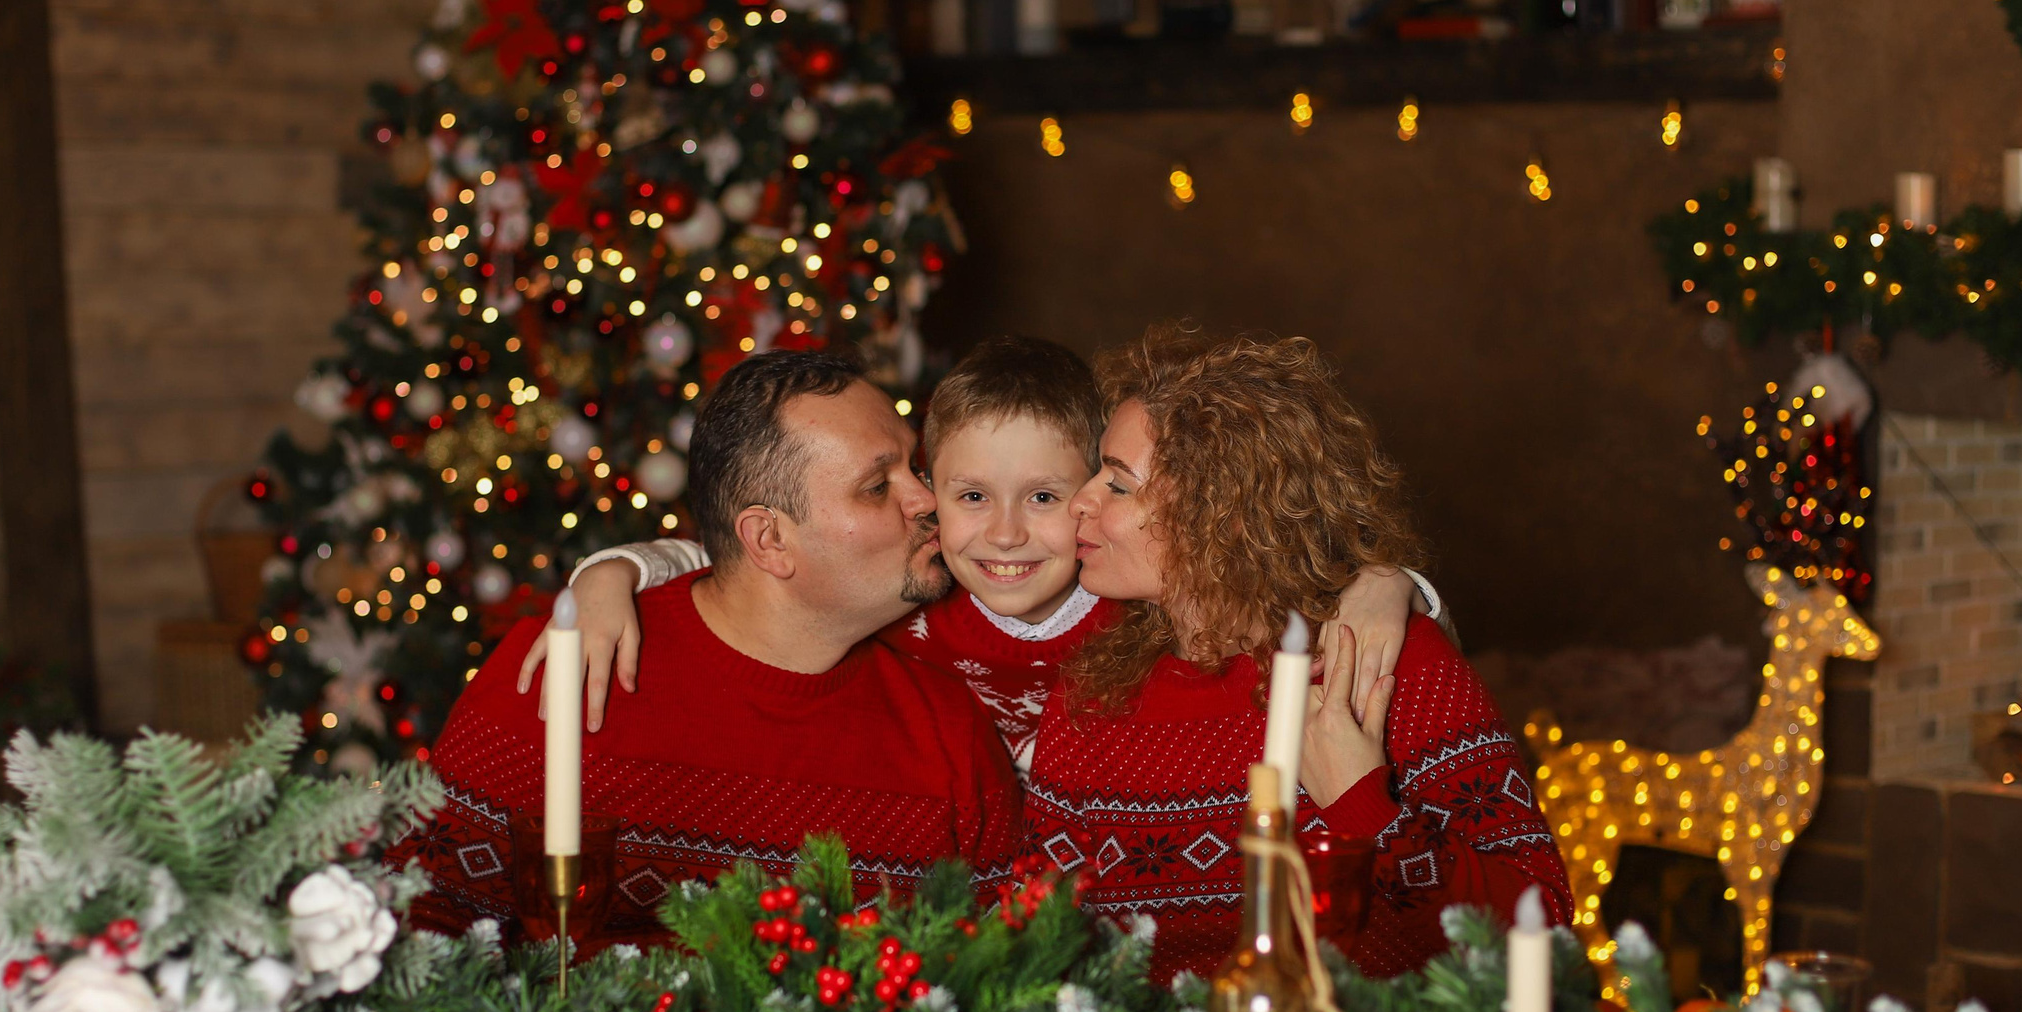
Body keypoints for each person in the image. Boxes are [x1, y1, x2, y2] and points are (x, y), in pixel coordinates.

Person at [553, 336, 1449, 770]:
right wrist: (614, 571)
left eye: (1049, 499)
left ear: (1094, 495)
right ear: (927, 493)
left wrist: (1388, 585)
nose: (1009, 533)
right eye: (971, 496)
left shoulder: (1133, 607)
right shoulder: (912, 597)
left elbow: (1262, 579)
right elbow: (761, 572)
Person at [391, 350, 1022, 949]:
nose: (927, 499)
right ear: (769, 539)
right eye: (877, 486)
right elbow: (419, 924)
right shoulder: (571, 666)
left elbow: (1006, 981)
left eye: (914, 467)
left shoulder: (950, 727)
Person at [1027, 326, 1569, 983]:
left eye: (1117, 484)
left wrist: (1366, 806)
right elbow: (1044, 948)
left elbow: (1545, 933)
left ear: (1223, 513)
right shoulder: (1091, 696)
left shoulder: (1387, 666)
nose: (1079, 501)